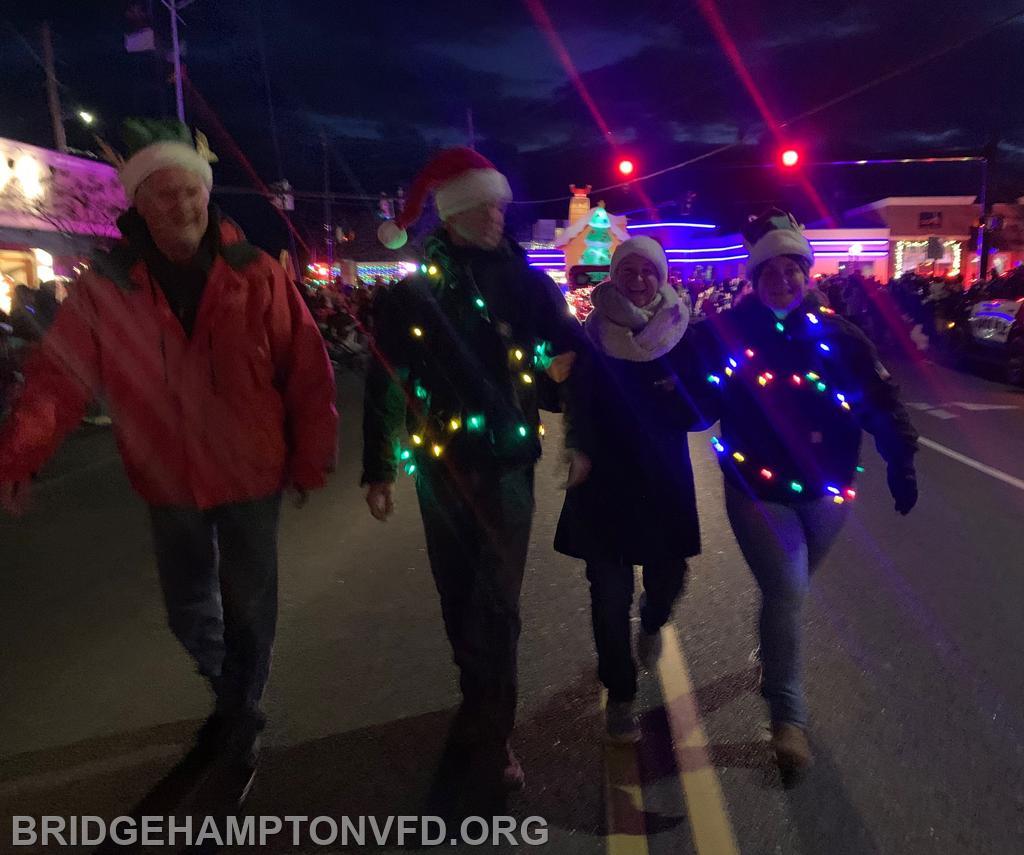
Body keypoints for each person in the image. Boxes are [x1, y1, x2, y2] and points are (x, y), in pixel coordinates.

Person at [0, 118, 338, 799]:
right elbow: (59, 379)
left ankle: (239, 719)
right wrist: (19, 457)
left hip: (250, 474)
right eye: (163, 195)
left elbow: (307, 369)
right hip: (168, 478)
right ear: (138, 206)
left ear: (207, 196)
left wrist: (311, 459)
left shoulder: (257, 275)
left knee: (249, 607)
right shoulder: (107, 287)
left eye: (191, 193)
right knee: (188, 608)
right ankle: (233, 694)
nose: (181, 207)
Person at [362, 147, 582, 793]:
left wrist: (572, 412)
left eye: (501, 205)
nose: (497, 215)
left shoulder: (529, 283)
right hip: (441, 466)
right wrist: (379, 466)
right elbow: (386, 378)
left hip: (510, 463)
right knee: (459, 596)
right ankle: (477, 694)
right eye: (485, 206)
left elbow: (569, 359)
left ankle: (494, 735)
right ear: (453, 215)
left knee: (497, 602)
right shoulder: (412, 293)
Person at [694, 209, 918, 774]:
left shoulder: (841, 337)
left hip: (828, 491)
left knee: (787, 591)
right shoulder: (728, 332)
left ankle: (773, 657)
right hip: (757, 489)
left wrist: (900, 460)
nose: (783, 281)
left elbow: (879, 400)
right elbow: (686, 383)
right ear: (756, 277)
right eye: (772, 271)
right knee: (788, 590)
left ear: (807, 273)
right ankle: (788, 722)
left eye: (793, 270)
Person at [554, 237, 706, 743]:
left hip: (663, 478)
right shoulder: (590, 334)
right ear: (614, 275)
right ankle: (620, 695)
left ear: (661, 276)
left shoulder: (684, 334)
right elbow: (570, 401)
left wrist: (681, 395)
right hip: (603, 480)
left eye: (648, 270)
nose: (639, 278)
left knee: (667, 578)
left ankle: (653, 620)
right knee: (607, 597)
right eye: (629, 270)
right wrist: (573, 445)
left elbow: (705, 410)